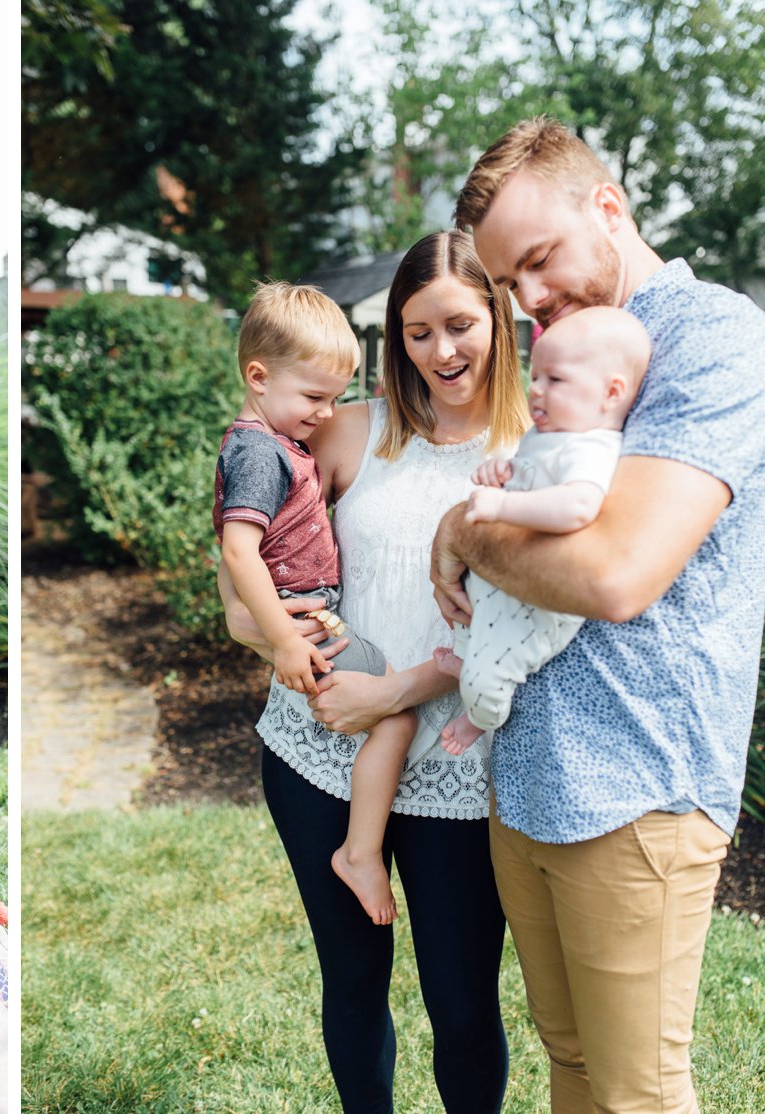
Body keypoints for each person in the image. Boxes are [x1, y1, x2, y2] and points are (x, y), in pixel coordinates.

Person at [431, 116, 765, 1113]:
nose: (528, 301)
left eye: (539, 261)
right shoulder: (574, 350)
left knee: (637, 1093)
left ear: (608, 209)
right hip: (532, 775)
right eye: (508, 284)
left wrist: (465, 526)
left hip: (639, 785)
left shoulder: (711, 338)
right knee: (569, 1065)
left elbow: (617, 571)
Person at [220, 230, 527, 1113]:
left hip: (458, 775)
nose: (442, 351)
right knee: (353, 983)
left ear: (498, 323)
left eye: (460, 325)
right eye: (418, 331)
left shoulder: (533, 454)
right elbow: (247, 583)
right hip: (319, 753)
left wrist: (390, 694)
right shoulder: (349, 428)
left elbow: (523, 624)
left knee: (463, 1007)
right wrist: (296, 655)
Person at [215, 281, 417, 924]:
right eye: (314, 397)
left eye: (334, 397)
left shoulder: (279, 444)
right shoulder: (256, 453)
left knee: (387, 713)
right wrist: (283, 639)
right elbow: (239, 553)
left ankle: (360, 848)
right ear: (258, 376)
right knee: (397, 716)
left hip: (308, 614)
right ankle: (360, 853)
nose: (328, 413)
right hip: (305, 618)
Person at [435, 306, 651, 754]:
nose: (536, 390)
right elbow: (531, 471)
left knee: (492, 675)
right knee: (475, 624)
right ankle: (470, 664)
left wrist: (505, 504)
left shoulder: (592, 447)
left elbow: (577, 505)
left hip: (542, 608)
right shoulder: (550, 433)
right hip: (509, 588)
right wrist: (504, 471)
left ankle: (478, 716)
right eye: (535, 376)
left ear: (611, 393)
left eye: (555, 380)